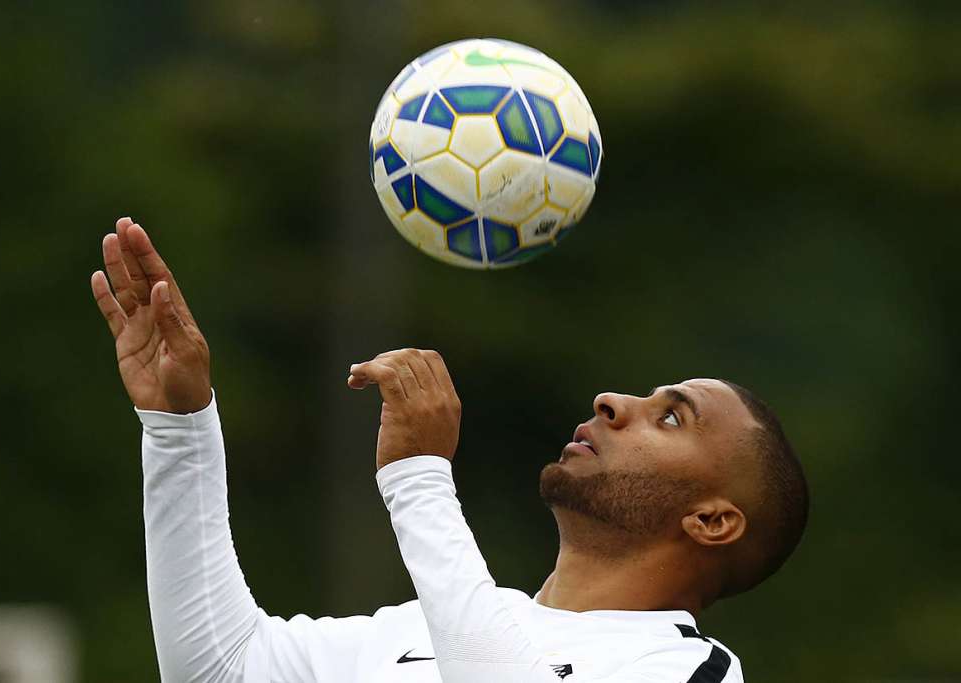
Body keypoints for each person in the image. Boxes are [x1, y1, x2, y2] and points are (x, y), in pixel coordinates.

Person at [91, 217, 809, 683]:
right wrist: (179, 427)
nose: (614, 402)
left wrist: (419, 480)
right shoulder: (420, 627)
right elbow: (222, 667)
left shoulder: (685, 669)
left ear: (714, 520)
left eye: (673, 418)